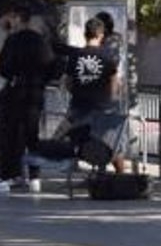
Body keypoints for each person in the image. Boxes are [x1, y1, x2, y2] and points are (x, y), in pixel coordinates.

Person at [46, 11, 130, 173]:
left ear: (85, 34)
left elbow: (68, 82)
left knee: (70, 136)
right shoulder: (108, 56)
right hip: (103, 108)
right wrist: (110, 99)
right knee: (109, 144)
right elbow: (114, 82)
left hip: (79, 107)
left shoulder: (75, 56)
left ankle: (65, 164)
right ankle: (120, 175)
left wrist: (78, 91)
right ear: (100, 35)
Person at [0, 1, 53, 193]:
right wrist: (40, 80)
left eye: (13, 18)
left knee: (8, 136)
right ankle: (35, 177)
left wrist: (15, 75)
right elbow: (52, 66)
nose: (11, 21)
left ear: (18, 19)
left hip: (15, 94)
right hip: (35, 94)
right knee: (32, 137)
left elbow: (3, 67)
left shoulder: (13, 40)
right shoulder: (40, 41)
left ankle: (6, 177)